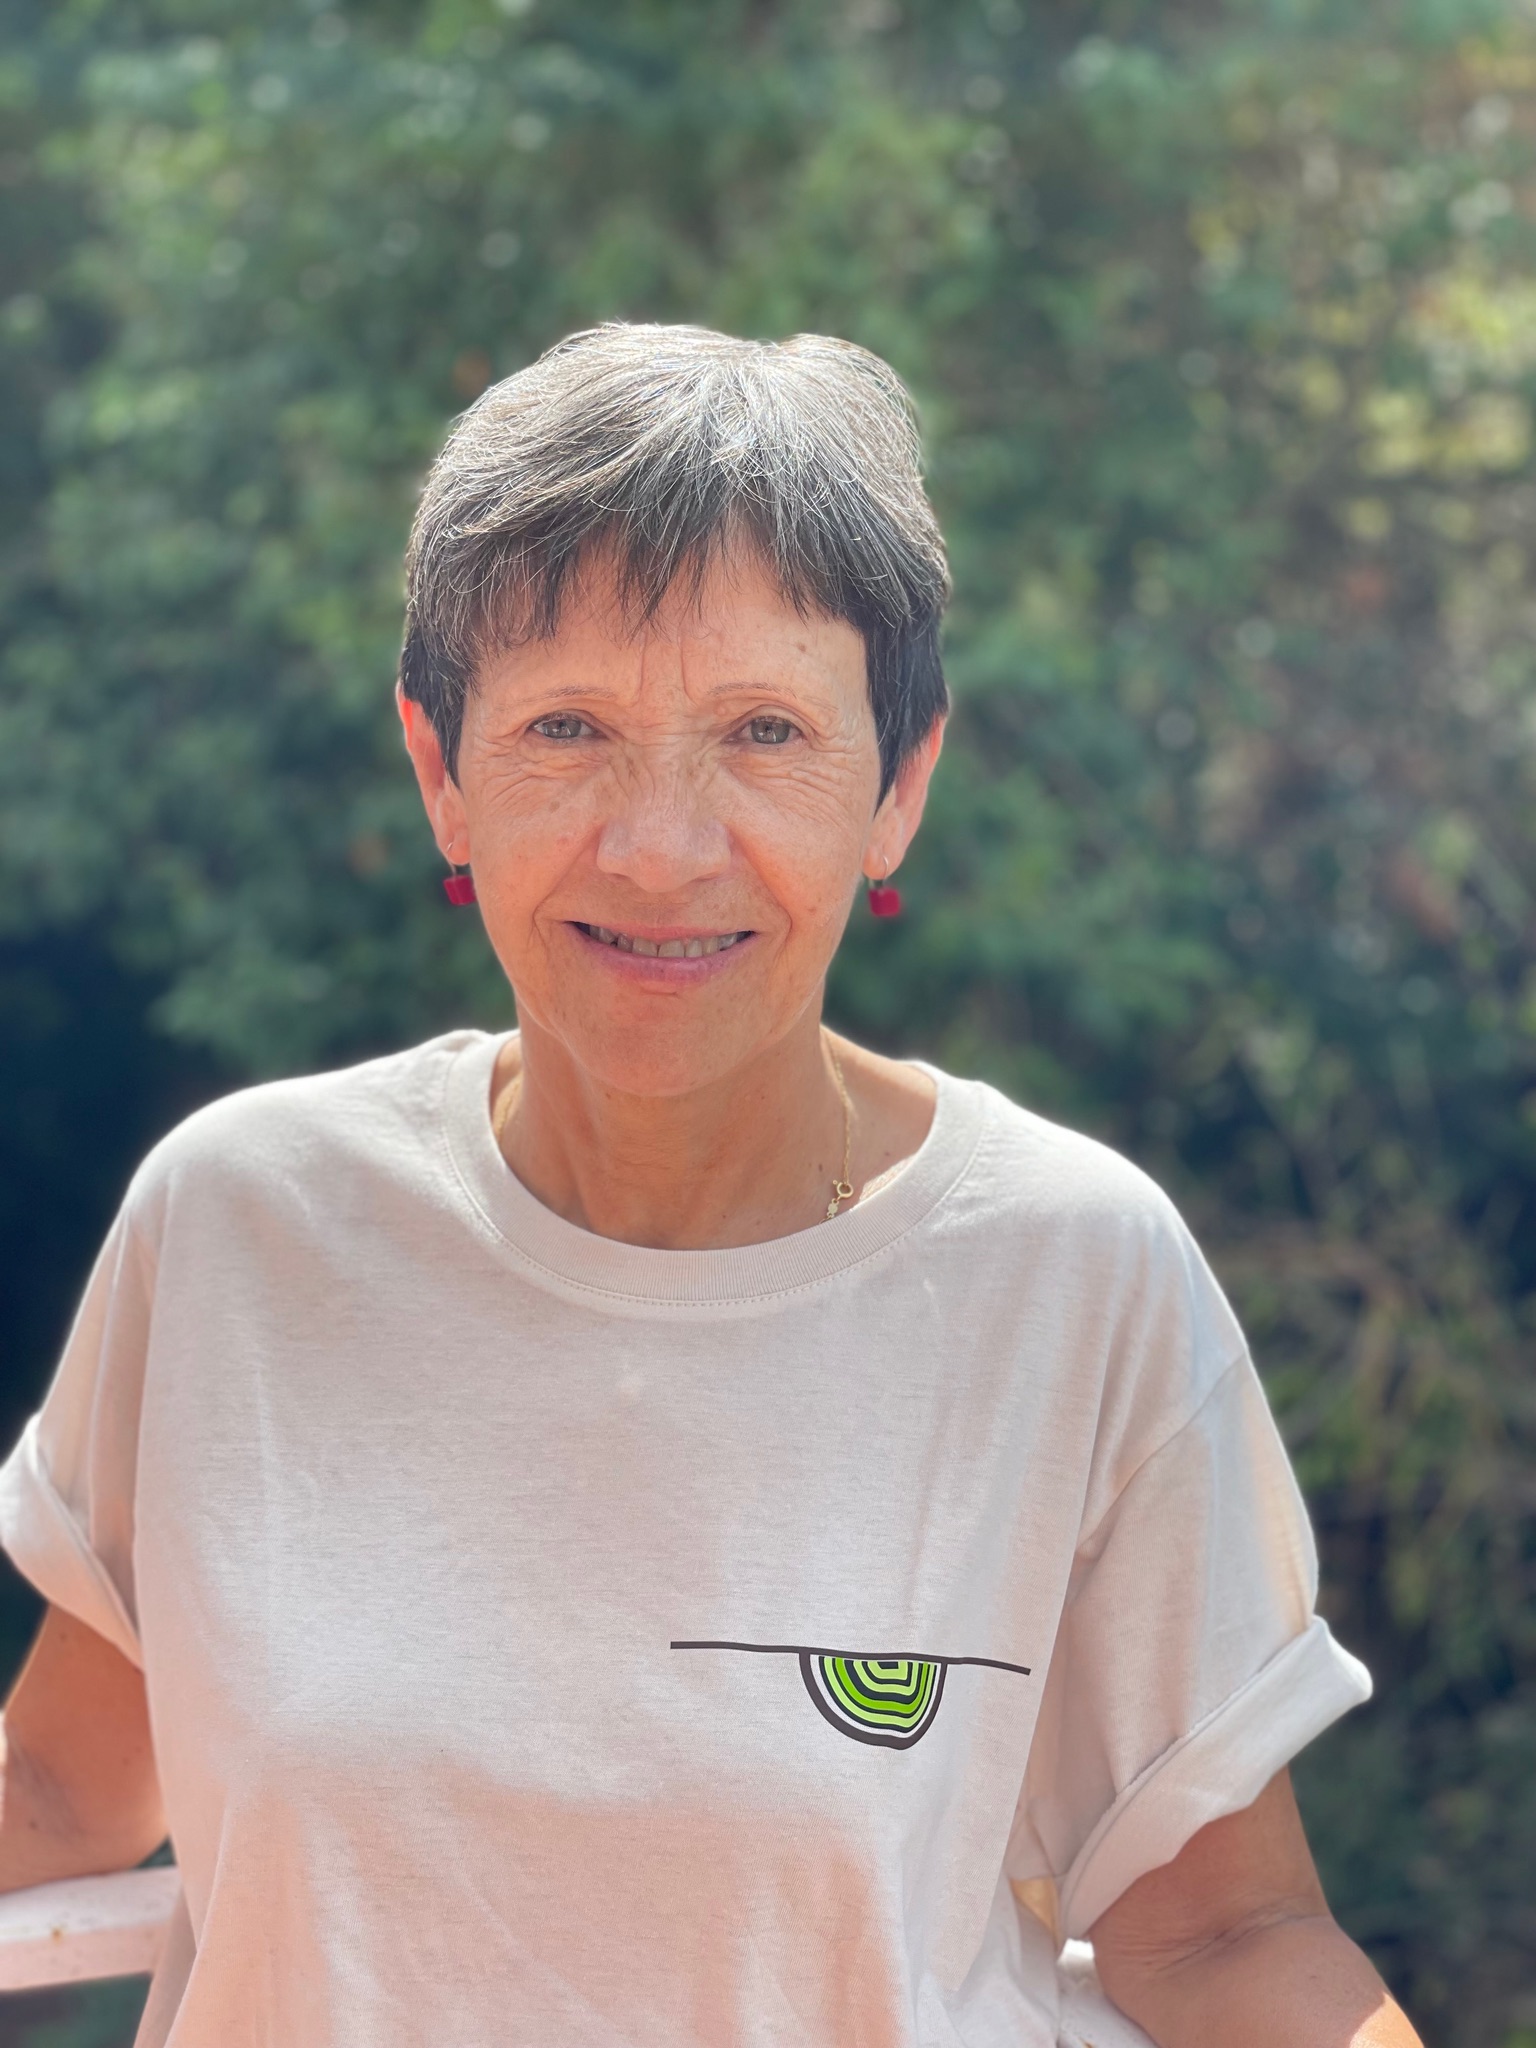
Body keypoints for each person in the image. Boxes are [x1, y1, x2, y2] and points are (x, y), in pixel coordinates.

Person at [0, 324, 1420, 2048]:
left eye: (763, 731)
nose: (661, 844)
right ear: (440, 771)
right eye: (567, 728)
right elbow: (63, 1793)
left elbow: (1220, 1935)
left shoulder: (1070, 1273)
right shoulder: (241, 1223)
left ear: (898, 785)